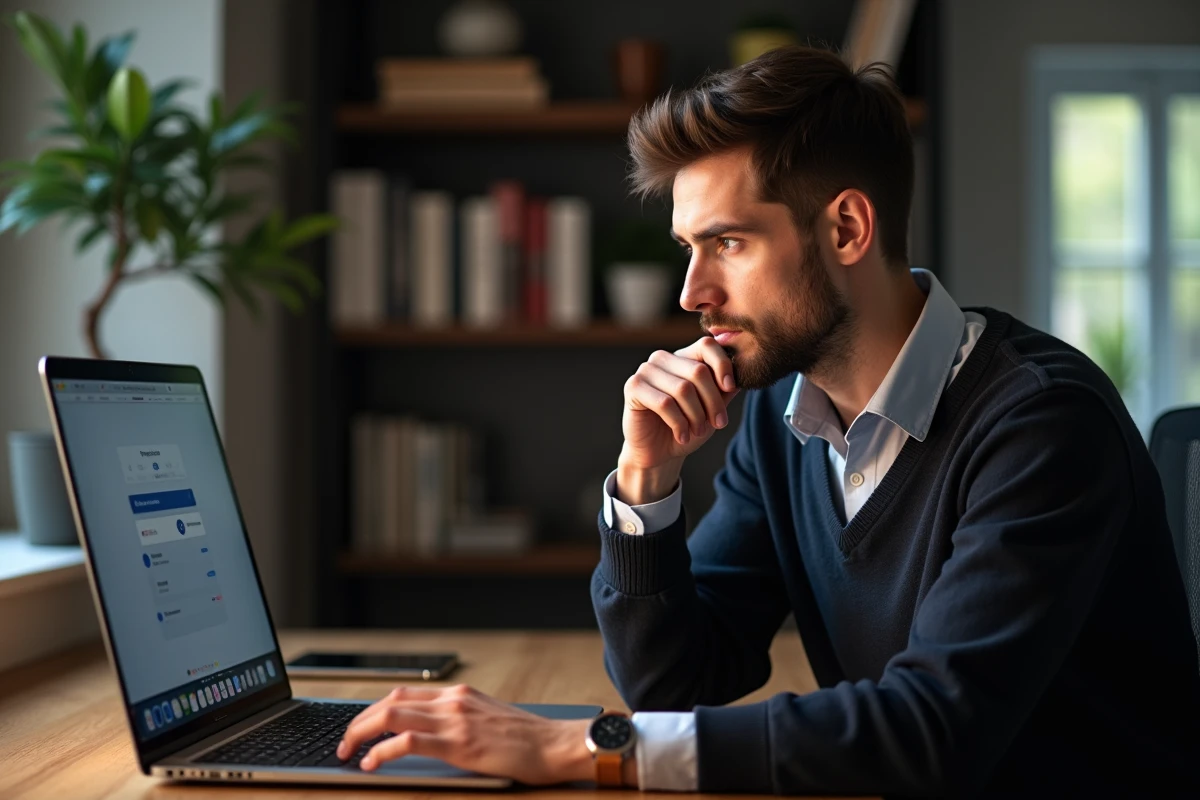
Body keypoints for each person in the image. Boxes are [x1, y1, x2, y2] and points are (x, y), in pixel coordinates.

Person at [337, 45, 1200, 795]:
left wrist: (581, 747)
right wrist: (646, 483)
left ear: (847, 228)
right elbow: (675, 682)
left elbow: (933, 731)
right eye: (688, 249)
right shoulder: (781, 420)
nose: (691, 293)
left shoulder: (1042, 425)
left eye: (728, 243)